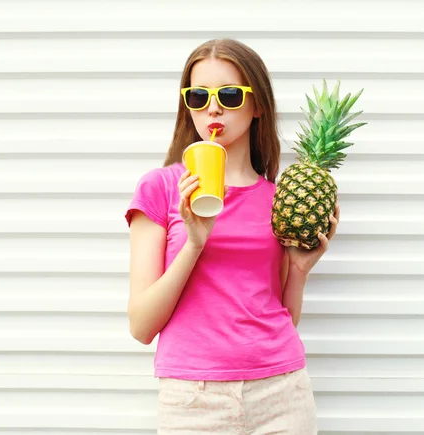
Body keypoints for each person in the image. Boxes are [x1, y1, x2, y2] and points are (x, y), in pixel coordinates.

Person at [125, 38, 339, 434]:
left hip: (282, 390)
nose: (213, 107)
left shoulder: (280, 200)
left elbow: (283, 318)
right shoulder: (161, 188)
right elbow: (141, 326)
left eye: (228, 94)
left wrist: (300, 271)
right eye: (197, 96)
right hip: (194, 398)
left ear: (257, 106)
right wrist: (194, 243)